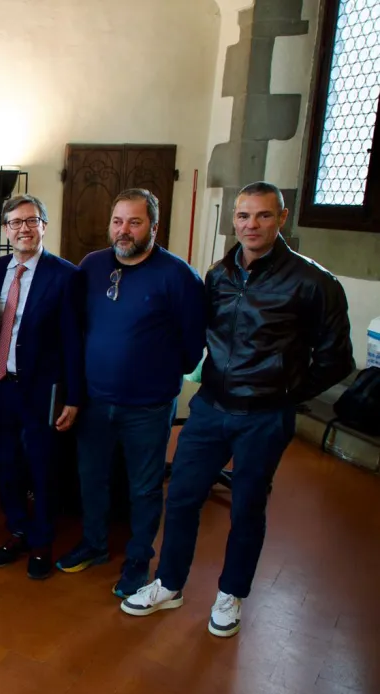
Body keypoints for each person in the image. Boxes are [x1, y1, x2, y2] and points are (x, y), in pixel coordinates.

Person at [121, 181, 354, 636]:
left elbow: (336, 360)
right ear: (234, 219)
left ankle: (232, 594)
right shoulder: (219, 274)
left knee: (247, 507)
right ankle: (169, 584)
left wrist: (284, 391)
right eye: (244, 216)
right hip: (211, 407)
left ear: (282, 219)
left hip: (265, 416)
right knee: (183, 497)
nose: (252, 225)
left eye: (263, 216)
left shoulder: (314, 283)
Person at [55, 188, 206, 597]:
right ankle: (95, 544)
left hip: (148, 407)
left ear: (153, 227)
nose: (124, 230)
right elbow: (81, 325)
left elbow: (192, 347)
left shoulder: (178, 276)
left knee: (143, 487)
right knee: (93, 478)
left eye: (135, 222)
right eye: (118, 221)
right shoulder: (92, 265)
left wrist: (152, 373)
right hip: (95, 399)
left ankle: (139, 559)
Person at [0, 195, 84, 580]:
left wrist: (74, 397)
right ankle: (18, 530)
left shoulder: (66, 275)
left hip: (42, 391)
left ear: (44, 225)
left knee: (43, 468)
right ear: (6, 229)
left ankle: (42, 540)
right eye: (15, 222)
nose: (23, 228)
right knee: (5, 465)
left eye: (31, 221)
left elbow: (75, 341)